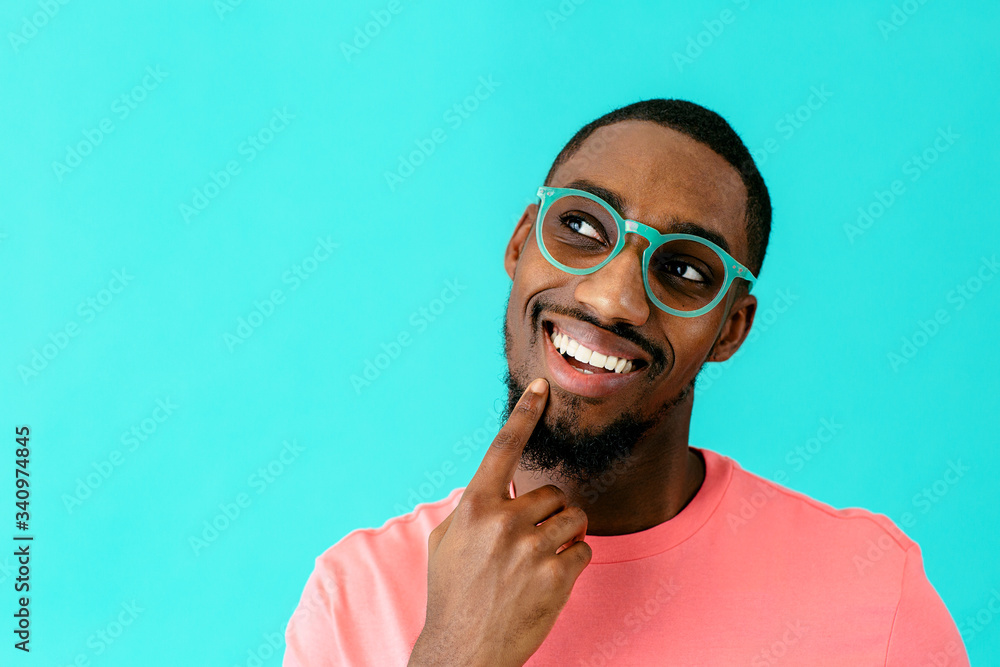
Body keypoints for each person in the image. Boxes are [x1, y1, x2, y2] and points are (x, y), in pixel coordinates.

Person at [283, 99, 969, 666]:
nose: (613, 299)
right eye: (580, 225)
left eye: (686, 270)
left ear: (731, 328)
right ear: (522, 241)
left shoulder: (873, 592)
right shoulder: (355, 596)